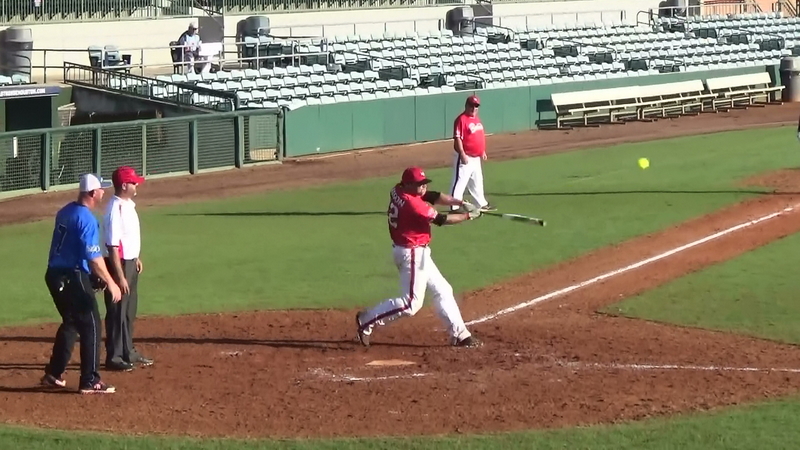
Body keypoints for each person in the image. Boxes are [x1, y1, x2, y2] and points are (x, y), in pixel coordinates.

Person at [355, 167, 483, 348]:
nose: (423, 187)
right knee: (411, 304)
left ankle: (460, 334)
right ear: (408, 185)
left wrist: (460, 202)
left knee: (443, 290)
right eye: (419, 184)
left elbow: (433, 196)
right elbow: (442, 220)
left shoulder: (398, 190)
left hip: (415, 251)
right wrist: (468, 216)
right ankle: (367, 320)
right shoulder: (413, 205)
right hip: (412, 253)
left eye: (424, 183)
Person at [40, 173, 122, 394]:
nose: (103, 192)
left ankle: (54, 373)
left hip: (54, 275)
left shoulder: (65, 211)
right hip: (71, 276)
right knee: (91, 324)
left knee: (71, 321)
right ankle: (90, 380)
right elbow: (93, 258)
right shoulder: (86, 219)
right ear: (92, 193)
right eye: (101, 189)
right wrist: (110, 282)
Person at [102, 166, 153, 372]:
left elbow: (128, 237)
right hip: (119, 265)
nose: (136, 185)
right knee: (117, 311)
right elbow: (113, 246)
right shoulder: (115, 210)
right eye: (133, 182)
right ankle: (114, 356)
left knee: (129, 310)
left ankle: (128, 351)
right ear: (124, 185)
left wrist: (136, 257)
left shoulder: (128, 205)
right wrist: (120, 277)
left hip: (130, 262)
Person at [449, 95, 496, 213]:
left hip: (476, 158)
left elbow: (478, 136)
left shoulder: (476, 119)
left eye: (476, 106)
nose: (474, 108)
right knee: (460, 182)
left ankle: (481, 203)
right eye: (472, 105)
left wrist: (482, 151)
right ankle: (454, 206)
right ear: (466, 105)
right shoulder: (461, 119)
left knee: (477, 181)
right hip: (465, 156)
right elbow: (458, 138)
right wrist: (462, 154)